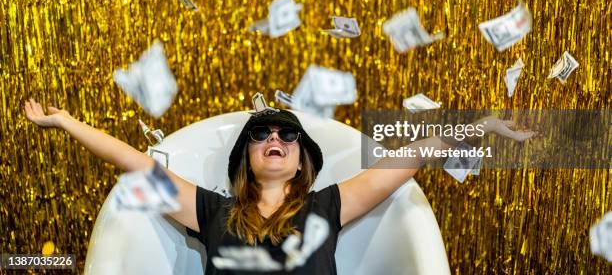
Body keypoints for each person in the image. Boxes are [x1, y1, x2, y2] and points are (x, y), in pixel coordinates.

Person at [24, 98, 535, 274]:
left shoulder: (328, 206)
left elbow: (412, 156)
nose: (275, 139)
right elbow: (134, 162)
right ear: (246, 156)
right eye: (261, 134)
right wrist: (67, 123)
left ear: (300, 161)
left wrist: (484, 126)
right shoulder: (210, 212)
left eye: (287, 134)